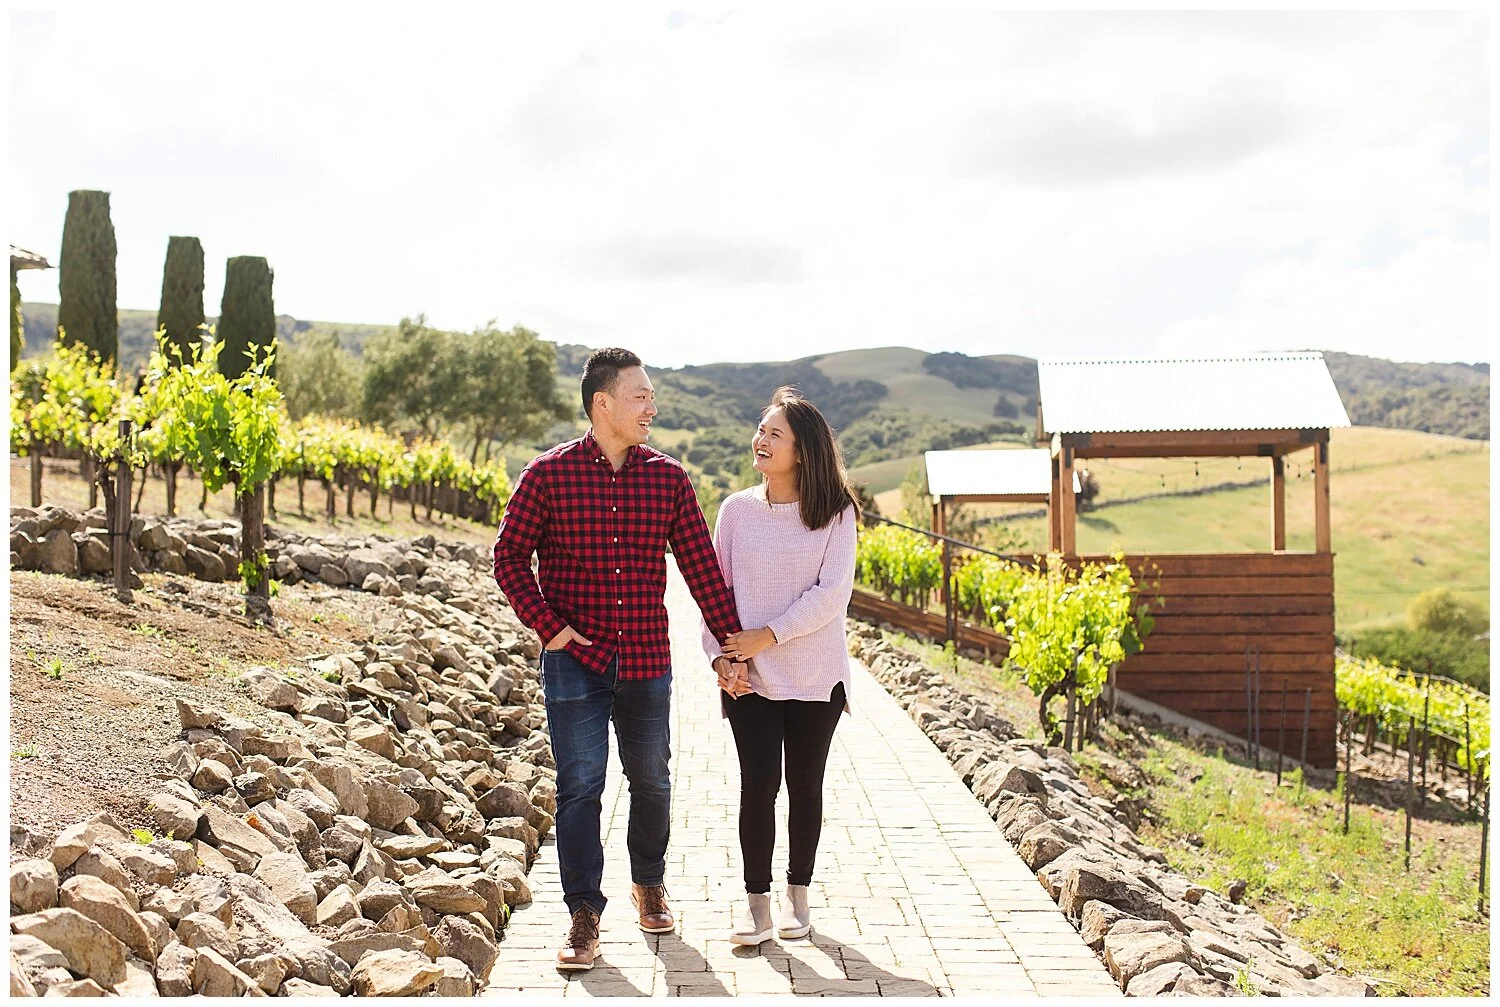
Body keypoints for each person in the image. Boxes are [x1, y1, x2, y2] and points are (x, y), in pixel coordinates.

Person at [492, 347, 748, 971]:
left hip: (646, 659)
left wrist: (731, 648)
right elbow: (508, 558)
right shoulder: (546, 475)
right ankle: (583, 914)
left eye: (651, 396)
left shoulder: (668, 480)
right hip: (574, 662)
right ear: (602, 403)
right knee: (580, 786)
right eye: (640, 396)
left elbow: (702, 571)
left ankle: (649, 883)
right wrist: (550, 627)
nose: (651, 407)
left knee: (652, 780)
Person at [702, 386, 860, 945]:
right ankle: (757, 907)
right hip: (751, 679)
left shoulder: (836, 513)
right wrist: (721, 657)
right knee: (758, 787)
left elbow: (831, 594)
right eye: (760, 429)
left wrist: (766, 636)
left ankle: (798, 897)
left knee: (805, 787)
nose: (760, 440)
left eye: (775, 434)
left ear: (803, 449)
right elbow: (714, 592)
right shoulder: (736, 511)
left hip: (817, 675)